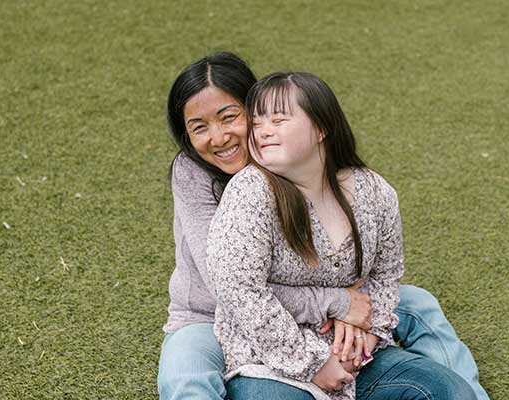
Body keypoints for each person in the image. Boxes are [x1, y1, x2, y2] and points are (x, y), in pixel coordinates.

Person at [158, 52, 489, 400]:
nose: (219, 137)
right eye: (199, 127)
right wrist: (338, 304)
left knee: (419, 305)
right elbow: (228, 285)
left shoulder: (310, 167)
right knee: (186, 381)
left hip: (318, 303)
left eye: (231, 118)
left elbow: (370, 268)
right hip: (207, 315)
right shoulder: (196, 174)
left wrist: (360, 317)